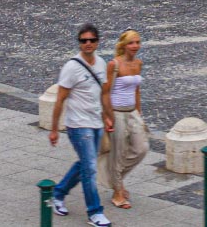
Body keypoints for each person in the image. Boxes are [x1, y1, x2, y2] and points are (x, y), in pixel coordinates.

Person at [48, 24, 112, 225]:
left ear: (97, 42)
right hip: (78, 125)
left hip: (96, 122)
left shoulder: (101, 64)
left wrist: (108, 117)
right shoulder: (72, 68)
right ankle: (95, 212)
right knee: (90, 168)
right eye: (84, 41)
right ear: (79, 43)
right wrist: (54, 129)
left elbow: (103, 93)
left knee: (86, 163)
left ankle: (58, 193)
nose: (88, 44)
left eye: (92, 40)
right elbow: (60, 99)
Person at [103, 30, 147, 210]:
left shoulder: (138, 63)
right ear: (123, 45)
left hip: (132, 113)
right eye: (131, 43)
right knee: (117, 153)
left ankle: (116, 179)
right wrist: (107, 116)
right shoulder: (114, 64)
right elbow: (105, 92)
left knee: (141, 149)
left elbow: (136, 90)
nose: (135, 46)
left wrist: (139, 113)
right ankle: (117, 192)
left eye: (137, 42)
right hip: (117, 112)